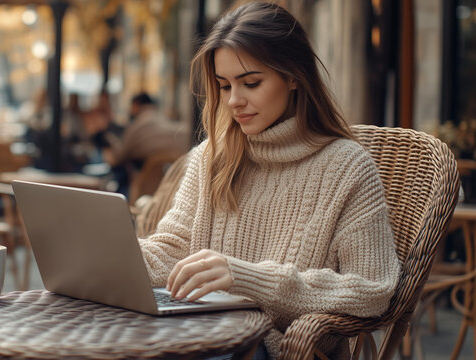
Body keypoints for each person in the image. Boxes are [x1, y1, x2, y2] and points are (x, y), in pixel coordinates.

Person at [137, 2, 401, 359]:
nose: (234, 100)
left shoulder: (347, 167)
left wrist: (246, 278)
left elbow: (372, 289)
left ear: (293, 76)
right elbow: (172, 250)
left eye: (251, 83)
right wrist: (116, 255)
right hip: (193, 329)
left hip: (268, 346)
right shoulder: (211, 156)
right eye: (224, 85)